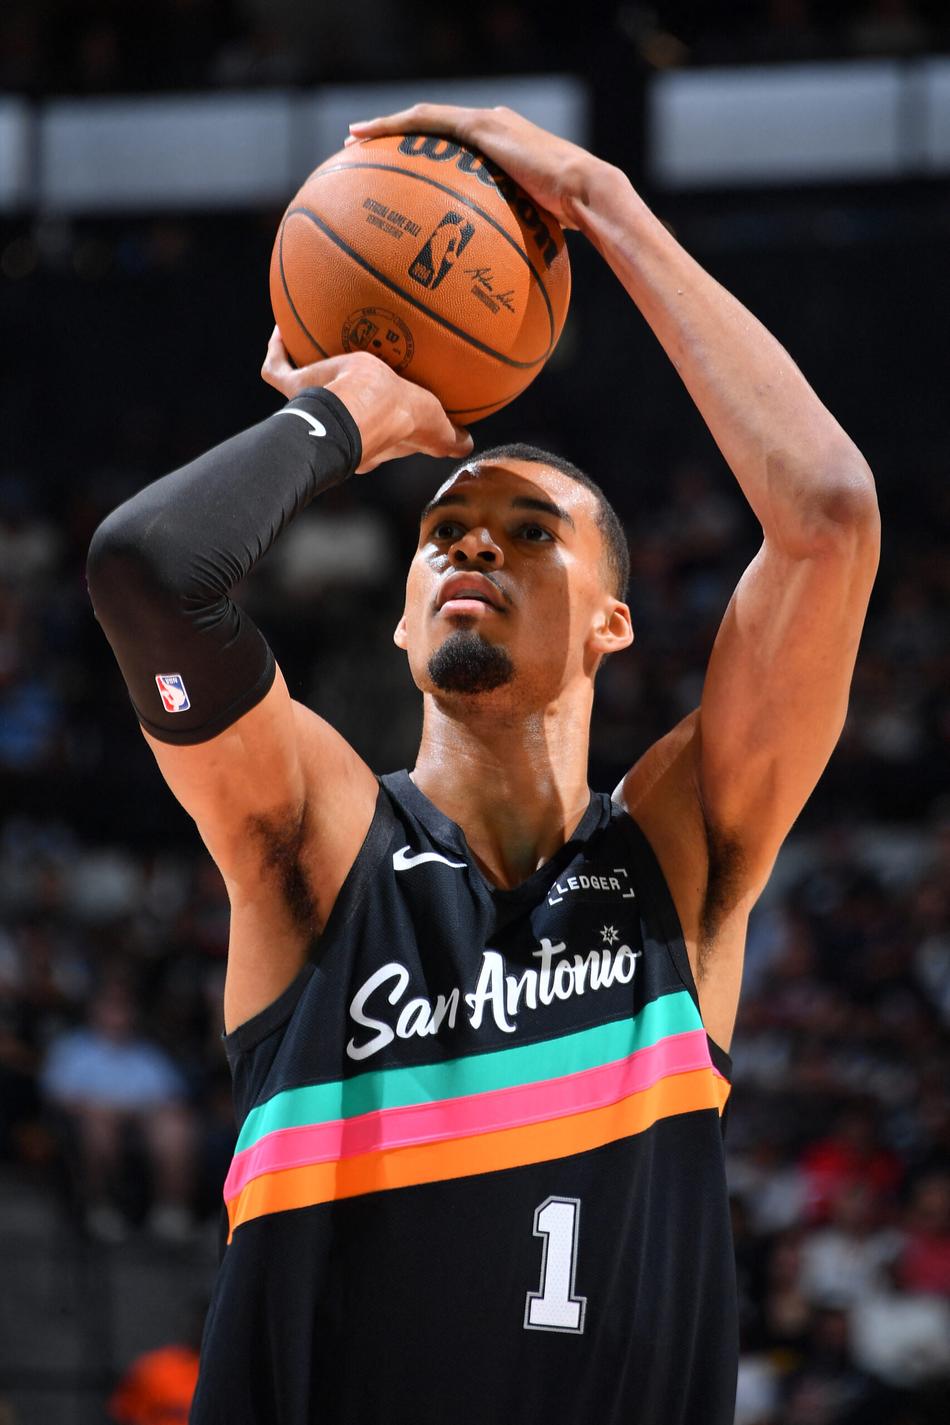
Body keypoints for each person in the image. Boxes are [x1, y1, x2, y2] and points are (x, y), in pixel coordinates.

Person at [85, 104, 880, 1424]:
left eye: (529, 531)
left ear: (613, 622)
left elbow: (827, 516)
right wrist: (340, 419)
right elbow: (149, 572)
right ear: (400, 617)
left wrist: (603, 200)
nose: (474, 547)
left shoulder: (679, 862)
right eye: (446, 527)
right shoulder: (321, 842)